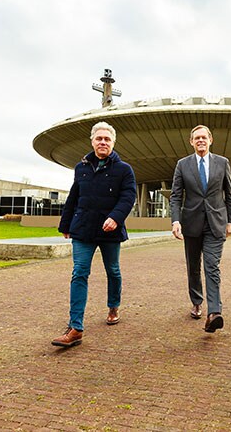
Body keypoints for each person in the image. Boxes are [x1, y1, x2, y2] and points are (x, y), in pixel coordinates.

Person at [52, 121, 137, 348]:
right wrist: (66, 224)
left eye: (107, 139)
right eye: (99, 139)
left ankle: (113, 306)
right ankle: (75, 327)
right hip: (83, 229)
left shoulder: (124, 170)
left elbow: (128, 197)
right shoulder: (82, 167)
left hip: (110, 229)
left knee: (113, 271)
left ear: (113, 143)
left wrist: (116, 217)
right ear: (92, 141)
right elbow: (73, 196)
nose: (103, 142)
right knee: (79, 273)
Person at [170, 125, 231, 333]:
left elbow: (229, 194)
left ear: (210, 140)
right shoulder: (183, 165)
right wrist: (175, 221)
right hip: (191, 223)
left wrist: (230, 221)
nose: (200, 141)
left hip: (216, 223)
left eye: (203, 138)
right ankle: (197, 301)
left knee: (212, 266)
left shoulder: (222, 163)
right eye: (196, 138)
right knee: (194, 266)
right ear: (191, 142)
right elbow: (176, 196)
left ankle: (214, 312)